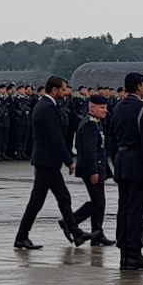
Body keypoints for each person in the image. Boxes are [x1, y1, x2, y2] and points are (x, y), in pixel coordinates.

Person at [14, 76, 91, 249]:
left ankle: (75, 233)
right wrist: (69, 160)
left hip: (47, 161)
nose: (66, 93)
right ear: (54, 90)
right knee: (38, 202)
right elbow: (55, 137)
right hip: (47, 162)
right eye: (63, 89)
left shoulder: (45, 105)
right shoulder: (47, 107)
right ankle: (21, 236)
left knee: (63, 198)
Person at [108, 72, 143, 270]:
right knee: (136, 210)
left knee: (124, 209)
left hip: (121, 160)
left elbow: (111, 140)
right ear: (138, 87)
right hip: (137, 161)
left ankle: (124, 252)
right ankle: (134, 251)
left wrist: (116, 160)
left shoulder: (118, 106)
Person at [68, 94, 115, 246]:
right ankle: (70, 221)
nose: (105, 111)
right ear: (92, 108)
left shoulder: (95, 122)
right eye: (101, 107)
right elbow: (89, 152)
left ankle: (97, 233)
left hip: (97, 167)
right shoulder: (89, 124)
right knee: (98, 202)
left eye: (105, 107)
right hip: (92, 169)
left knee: (99, 202)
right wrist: (94, 171)